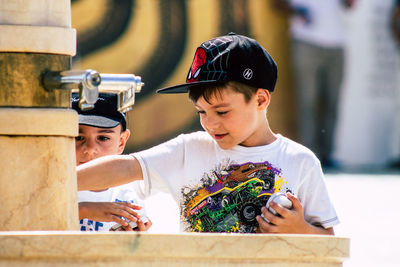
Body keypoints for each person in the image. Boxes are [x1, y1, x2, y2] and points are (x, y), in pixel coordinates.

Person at [77, 33, 339, 234]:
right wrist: (59, 181)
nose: (210, 124)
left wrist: (300, 230)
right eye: (202, 112)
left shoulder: (301, 161)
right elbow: (124, 169)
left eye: (222, 112)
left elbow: (328, 240)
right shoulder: (188, 150)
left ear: (260, 100)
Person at [272, 0, 355, 167]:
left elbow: (350, 5)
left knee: (332, 101)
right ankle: (309, 154)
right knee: (307, 101)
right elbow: (277, 4)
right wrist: (297, 11)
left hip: (336, 43)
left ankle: (328, 154)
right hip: (306, 42)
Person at [72, 92, 152, 231]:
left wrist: (132, 242)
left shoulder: (131, 197)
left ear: (121, 142)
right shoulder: (50, 186)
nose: (90, 149)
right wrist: (82, 210)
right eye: (78, 137)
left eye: (103, 138)